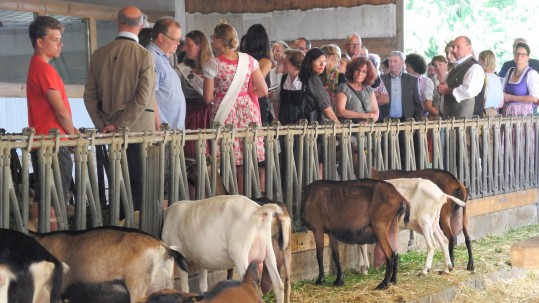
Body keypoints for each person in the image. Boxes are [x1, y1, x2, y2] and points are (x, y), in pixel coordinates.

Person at [84, 6, 156, 212]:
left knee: (117, 186)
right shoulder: (143, 55)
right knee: (139, 190)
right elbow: (143, 98)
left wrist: (104, 125)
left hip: (109, 134)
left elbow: (89, 96)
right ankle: (136, 236)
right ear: (141, 26)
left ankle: (117, 234)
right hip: (138, 132)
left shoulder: (98, 54)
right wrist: (120, 125)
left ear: (118, 22)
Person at [203, 22, 267, 194]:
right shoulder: (249, 61)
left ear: (219, 40)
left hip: (225, 112)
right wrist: (245, 96)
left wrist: (223, 96)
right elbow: (263, 90)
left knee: (227, 159)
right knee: (245, 160)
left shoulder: (213, 64)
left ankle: (228, 197)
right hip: (248, 111)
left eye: (213, 38)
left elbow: (208, 98)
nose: (212, 41)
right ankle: (245, 197)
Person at [27, 15, 77, 231]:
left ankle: (42, 242)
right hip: (54, 142)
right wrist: (73, 135)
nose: (60, 44)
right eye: (55, 39)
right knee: (55, 197)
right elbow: (60, 110)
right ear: (40, 42)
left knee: (44, 194)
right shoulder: (45, 70)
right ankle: (53, 246)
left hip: (42, 141)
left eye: (60, 39)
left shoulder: (36, 66)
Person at [176, 30, 214, 157]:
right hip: (189, 115)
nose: (185, 48)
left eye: (189, 44)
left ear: (200, 46)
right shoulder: (181, 69)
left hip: (209, 116)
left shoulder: (214, 66)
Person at [147, 17, 186, 130]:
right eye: (174, 39)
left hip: (172, 131)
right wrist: (158, 125)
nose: (178, 43)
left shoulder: (163, 57)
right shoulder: (151, 57)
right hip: (164, 132)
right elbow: (150, 95)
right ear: (161, 37)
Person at [437, 36, 485, 119]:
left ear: (469, 48)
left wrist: (446, 90)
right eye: (453, 47)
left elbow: (468, 91)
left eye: (458, 47)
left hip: (467, 122)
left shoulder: (474, 67)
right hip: (451, 119)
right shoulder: (455, 66)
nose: (454, 50)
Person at [240, 24, 274, 124]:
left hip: (242, 103)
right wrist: (265, 90)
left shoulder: (243, 59)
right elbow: (255, 85)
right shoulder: (265, 62)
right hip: (257, 104)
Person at [298, 48, 340, 125]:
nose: (322, 65)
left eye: (324, 62)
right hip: (315, 123)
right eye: (318, 61)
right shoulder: (313, 79)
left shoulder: (307, 77)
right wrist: (337, 124)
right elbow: (324, 105)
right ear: (310, 62)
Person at [379, 51, 423, 122]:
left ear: (402, 63)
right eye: (390, 61)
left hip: (407, 122)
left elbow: (418, 104)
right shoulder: (381, 80)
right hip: (386, 122)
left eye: (395, 61)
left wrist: (416, 122)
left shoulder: (413, 80)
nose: (392, 64)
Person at [335, 57, 379, 123]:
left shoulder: (368, 89)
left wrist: (367, 123)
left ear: (368, 74)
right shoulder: (344, 87)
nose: (359, 74)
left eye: (364, 72)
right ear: (352, 71)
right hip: (348, 130)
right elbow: (340, 111)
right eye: (357, 70)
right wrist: (364, 116)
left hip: (367, 130)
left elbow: (376, 113)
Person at [501, 42, 539, 117]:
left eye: (523, 54)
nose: (519, 57)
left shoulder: (531, 74)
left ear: (528, 57)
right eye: (517, 54)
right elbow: (503, 90)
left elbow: (534, 98)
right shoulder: (510, 71)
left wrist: (511, 97)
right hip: (508, 114)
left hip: (525, 116)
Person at [275, 49, 305, 125]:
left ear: (295, 63)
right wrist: (276, 118)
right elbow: (278, 101)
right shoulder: (284, 78)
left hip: (301, 123)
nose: (283, 63)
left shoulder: (305, 80)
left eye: (286, 62)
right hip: (283, 121)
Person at [405, 53, 437, 118]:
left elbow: (427, 105)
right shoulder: (405, 81)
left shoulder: (426, 82)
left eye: (408, 66)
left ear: (414, 66)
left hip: (421, 119)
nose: (406, 69)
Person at [478, 50, 503, 117]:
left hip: (483, 112)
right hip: (495, 112)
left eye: (479, 60)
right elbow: (501, 103)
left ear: (483, 61)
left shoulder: (481, 76)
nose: (478, 62)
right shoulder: (497, 78)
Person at [320, 44, 345, 109]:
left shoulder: (341, 77)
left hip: (335, 112)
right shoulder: (319, 74)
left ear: (333, 58)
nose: (320, 61)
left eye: (323, 58)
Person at [430, 55, 449, 119]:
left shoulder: (452, 79)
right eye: (435, 66)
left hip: (450, 115)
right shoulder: (430, 81)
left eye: (440, 64)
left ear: (446, 64)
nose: (438, 67)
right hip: (435, 116)